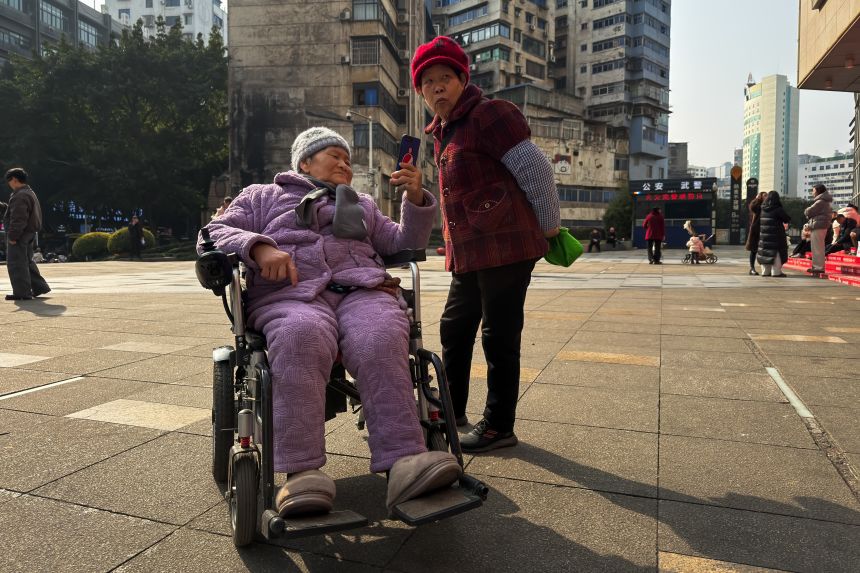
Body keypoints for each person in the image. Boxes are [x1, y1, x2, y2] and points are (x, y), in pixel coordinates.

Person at [203, 127, 461, 517]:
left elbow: (405, 242)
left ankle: (406, 460)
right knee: (299, 335)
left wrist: (416, 198)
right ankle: (301, 472)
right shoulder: (262, 196)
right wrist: (258, 246)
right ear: (304, 162)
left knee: (380, 335)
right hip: (291, 295)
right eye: (333, 156)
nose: (344, 164)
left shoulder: (362, 204)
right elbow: (213, 232)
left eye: (348, 160)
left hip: (362, 291)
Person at [410, 36, 561, 453]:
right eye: (428, 82)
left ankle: (498, 426)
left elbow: (536, 170)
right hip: (469, 253)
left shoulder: (490, 114)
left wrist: (550, 230)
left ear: (462, 80)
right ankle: (451, 410)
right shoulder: (443, 131)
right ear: (421, 91)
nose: (437, 87)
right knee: (454, 328)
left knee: (498, 335)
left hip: (507, 247)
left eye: (445, 77)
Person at [3, 168, 51, 301]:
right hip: (29, 233)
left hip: (20, 234)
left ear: (14, 179)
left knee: (16, 263)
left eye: (9, 181)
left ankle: (22, 293)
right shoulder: (29, 192)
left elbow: (19, 218)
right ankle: (40, 287)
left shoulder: (20, 195)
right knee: (27, 262)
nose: (9, 184)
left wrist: (13, 236)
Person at [756, 190, 791, 277]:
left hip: (764, 235)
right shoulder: (778, 209)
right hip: (776, 235)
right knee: (776, 253)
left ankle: (765, 271)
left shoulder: (763, 209)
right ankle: (776, 272)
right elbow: (786, 219)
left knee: (765, 252)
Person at [803, 184, 832, 273]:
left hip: (818, 226)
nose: (812, 193)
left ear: (818, 191)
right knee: (818, 247)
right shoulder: (824, 201)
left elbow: (808, 212)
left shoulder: (820, 202)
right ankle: (817, 267)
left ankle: (818, 267)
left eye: (813, 191)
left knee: (817, 248)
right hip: (820, 226)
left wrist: (807, 209)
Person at [745, 191, 767, 275]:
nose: (766, 197)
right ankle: (752, 268)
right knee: (754, 250)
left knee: (765, 250)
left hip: (765, 230)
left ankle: (766, 269)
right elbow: (752, 207)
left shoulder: (769, 205)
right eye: (764, 195)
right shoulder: (757, 205)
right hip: (756, 230)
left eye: (767, 195)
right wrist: (756, 199)